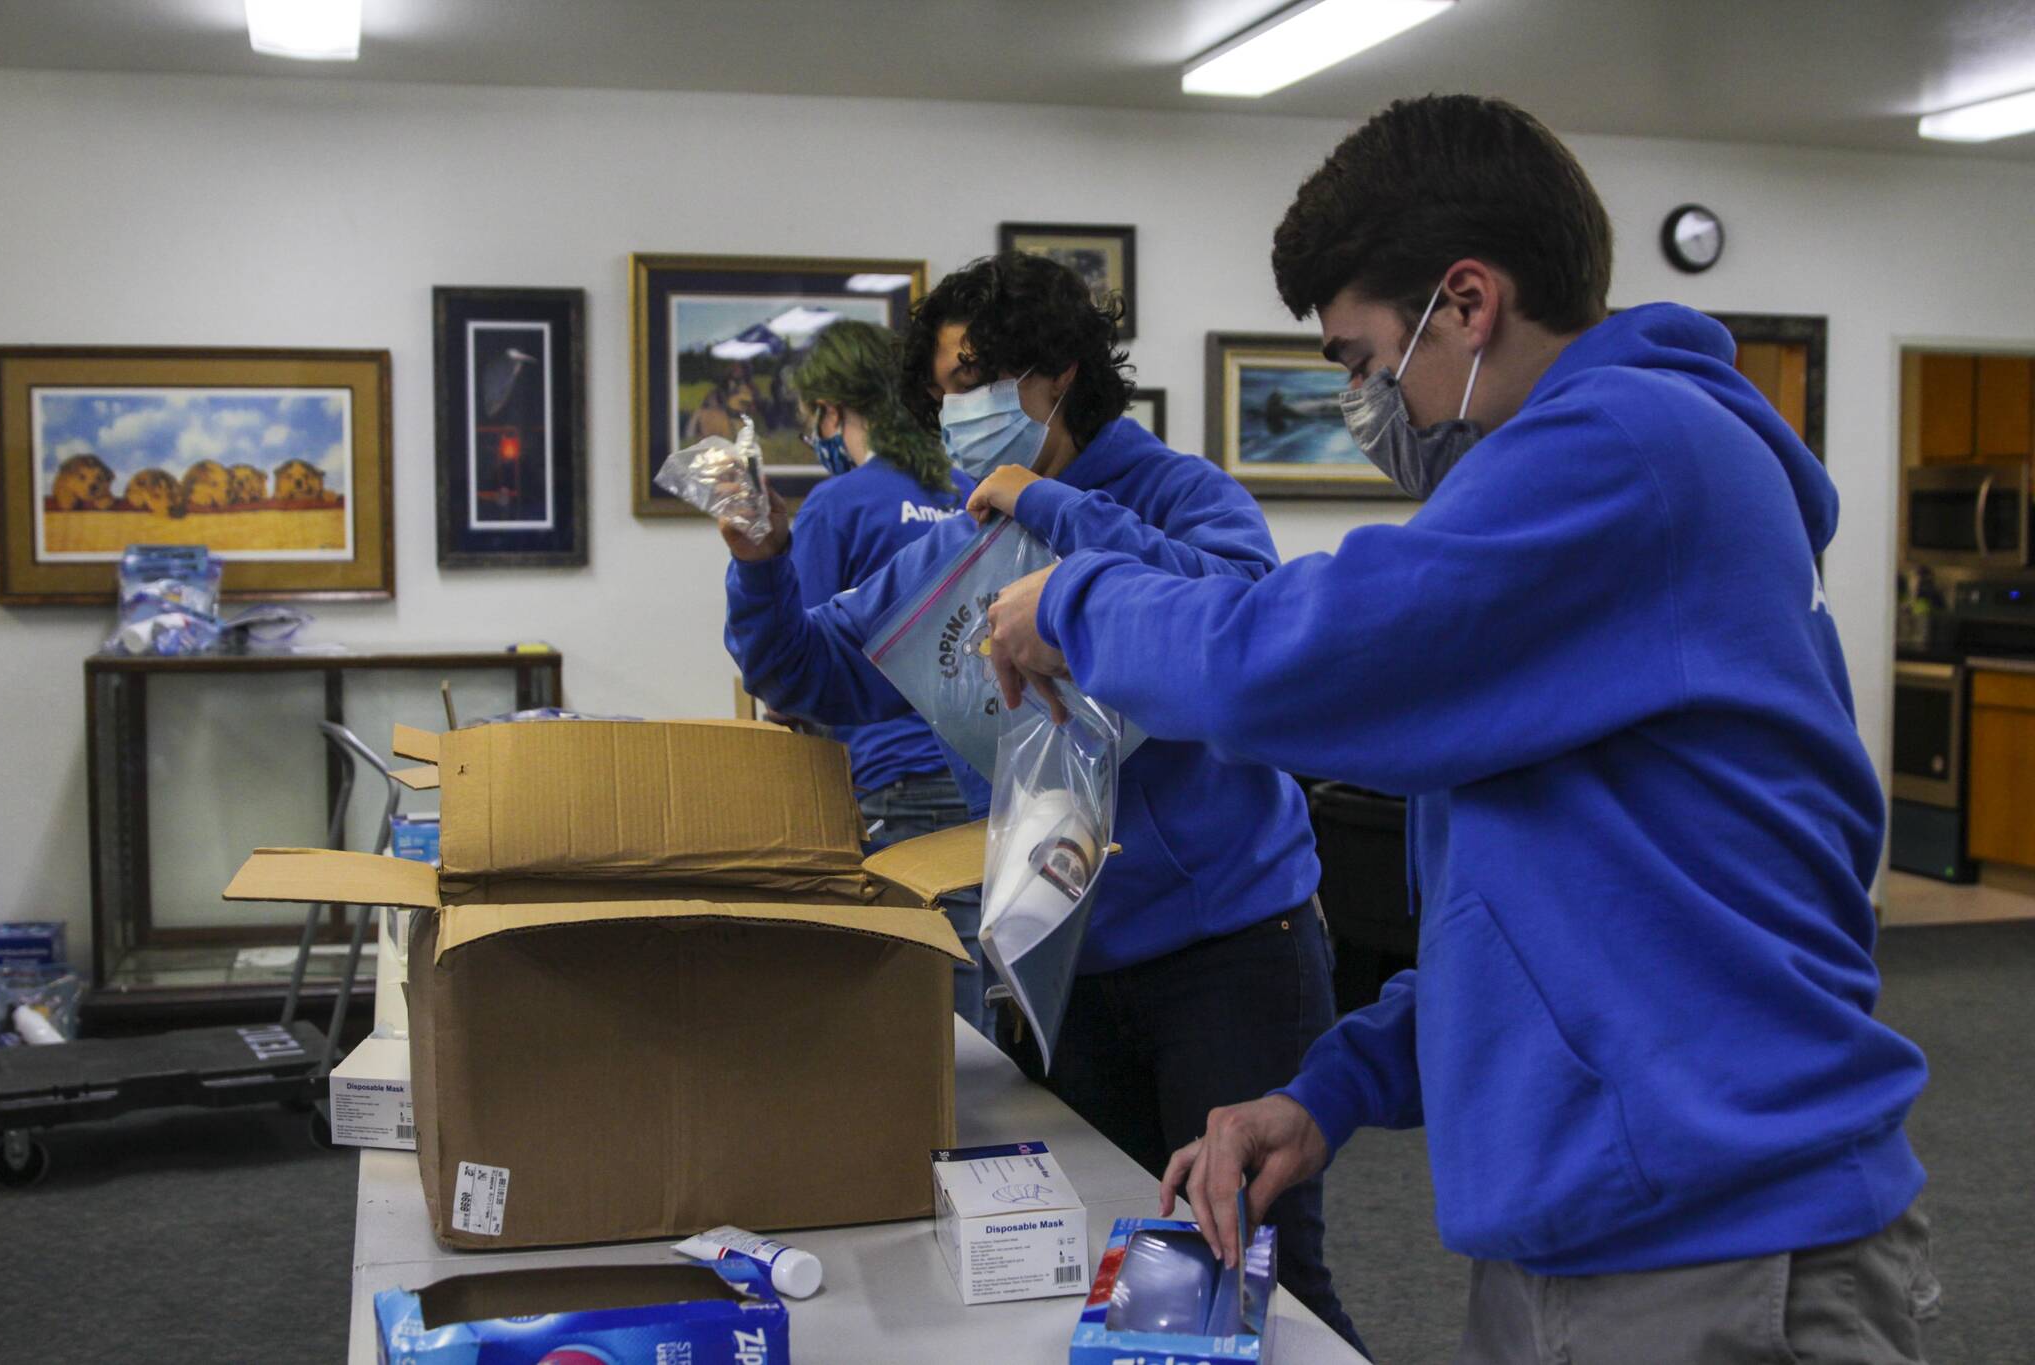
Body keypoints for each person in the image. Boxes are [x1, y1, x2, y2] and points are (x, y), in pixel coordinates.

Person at [983, 95, 1938, 1364]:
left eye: (1363, 360)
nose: (1364, 401)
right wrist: (1334, 1088)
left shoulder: (1627, 448)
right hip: (1600, 1222)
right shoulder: (1598, 478)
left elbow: (1314, 657)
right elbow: (1539, 916)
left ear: (1468, 302)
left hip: (1716, 1237)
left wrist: (1074, 597)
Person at [719, 252, 1364, 1350]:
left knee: (1257, 1263)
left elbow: (1239, 614)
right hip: (1066, 959)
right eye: (943, 388)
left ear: (1054, 376)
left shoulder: (1170, 492)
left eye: (973, 378)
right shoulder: (967, 526)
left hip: (1230, 953)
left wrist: (1049, 507)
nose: (954, 409)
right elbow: (816, 672)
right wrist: (763, 564)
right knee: (1122, 1265)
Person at [766, 320, 988, 1024]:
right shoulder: (973, 490)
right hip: (988, 777)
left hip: (894, 786)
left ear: (833, 410)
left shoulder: (837, 505)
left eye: (814, 421)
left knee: (915, 1014)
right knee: (978, 999)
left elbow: (796, 672)